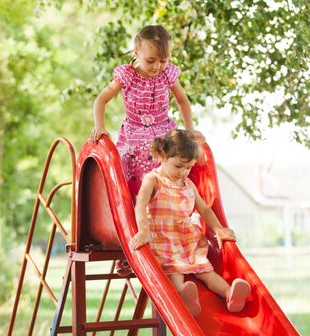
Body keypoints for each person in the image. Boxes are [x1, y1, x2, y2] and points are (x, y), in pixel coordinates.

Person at [90, 24, 201, 276]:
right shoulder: (126, 75)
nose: (157, 66)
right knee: (133, 194)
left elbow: (182, 100)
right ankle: (129, 252)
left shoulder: (167, 75)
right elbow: (101, 100)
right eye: (151, 60)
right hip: (135, 137)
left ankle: (178, 241)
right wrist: (100, 127)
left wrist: (189, 129)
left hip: (163, 136)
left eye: (163, 60)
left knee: (170, 186)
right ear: (137, 51)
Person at [131, 129, 251, 316]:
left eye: (188, 168)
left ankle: (230, 294)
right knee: (175, 274)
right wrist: (143, 230)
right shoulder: (153, 179)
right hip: (164, 239)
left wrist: (219, 229)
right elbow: (140, 205)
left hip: (187, 238)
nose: (183, 172)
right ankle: (185, 298)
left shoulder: (188, 184)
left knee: (206, 270)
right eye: (178, 166)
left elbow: (204, 209)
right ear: (163, 155)